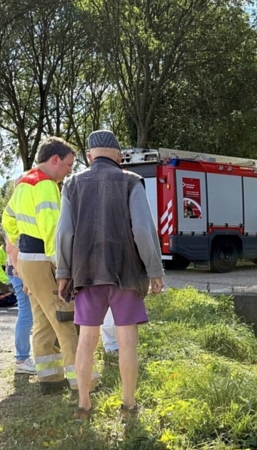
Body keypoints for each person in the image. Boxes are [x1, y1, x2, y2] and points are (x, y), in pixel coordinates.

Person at [55, 130, 165, 421]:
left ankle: (83, 404)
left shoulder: (72, 183)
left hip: (86, 273)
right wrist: (154, 270)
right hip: (125, 273)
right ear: (118, 156)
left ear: (90, 157)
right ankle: (128, 406)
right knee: (127, 339)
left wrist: (63, 273)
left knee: (87, 339)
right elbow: (142, 230)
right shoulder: (130, 181)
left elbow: (64, 233)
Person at [2, 137, 90, 394]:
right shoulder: (45, 184)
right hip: (44, 261)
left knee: (42, 322)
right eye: (68, 165)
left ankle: (50, 380)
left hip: (29, 261)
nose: (69, 172)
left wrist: (16, 253)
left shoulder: (24, 182)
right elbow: (54, 231)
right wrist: (63, 267)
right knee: (66, 320)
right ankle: (84, 383)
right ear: (54, 159)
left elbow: (8, 220)